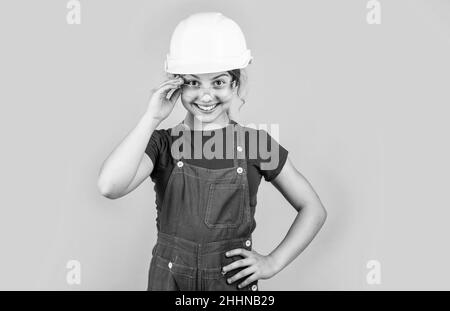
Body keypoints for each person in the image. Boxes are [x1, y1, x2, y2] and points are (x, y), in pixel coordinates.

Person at [97, 12, 327, 291]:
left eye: (218, 82)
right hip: (169, 283)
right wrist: (151, 117)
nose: (205, 96)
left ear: (235, 84)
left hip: (231, 286)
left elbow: (313, 209)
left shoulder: (257, 144)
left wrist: (272, 263)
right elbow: (110, 186)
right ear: (176, 84)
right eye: (193, 82)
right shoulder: (162, 144)